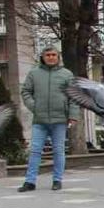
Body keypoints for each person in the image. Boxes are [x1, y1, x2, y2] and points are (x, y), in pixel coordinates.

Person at [18, 46, 79, 192]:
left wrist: (73, 115)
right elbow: (26, 91)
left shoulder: (66, 74)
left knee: (59, 150)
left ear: (58, 57)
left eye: (53, 55)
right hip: (40, 120)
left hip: (60, 119)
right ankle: (30, 181)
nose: (51, 57)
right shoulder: (34, 74)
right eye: (48, 55)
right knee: (35, 150)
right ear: (43, 57)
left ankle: (57, 180)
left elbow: (74, 96)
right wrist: (34, 106)